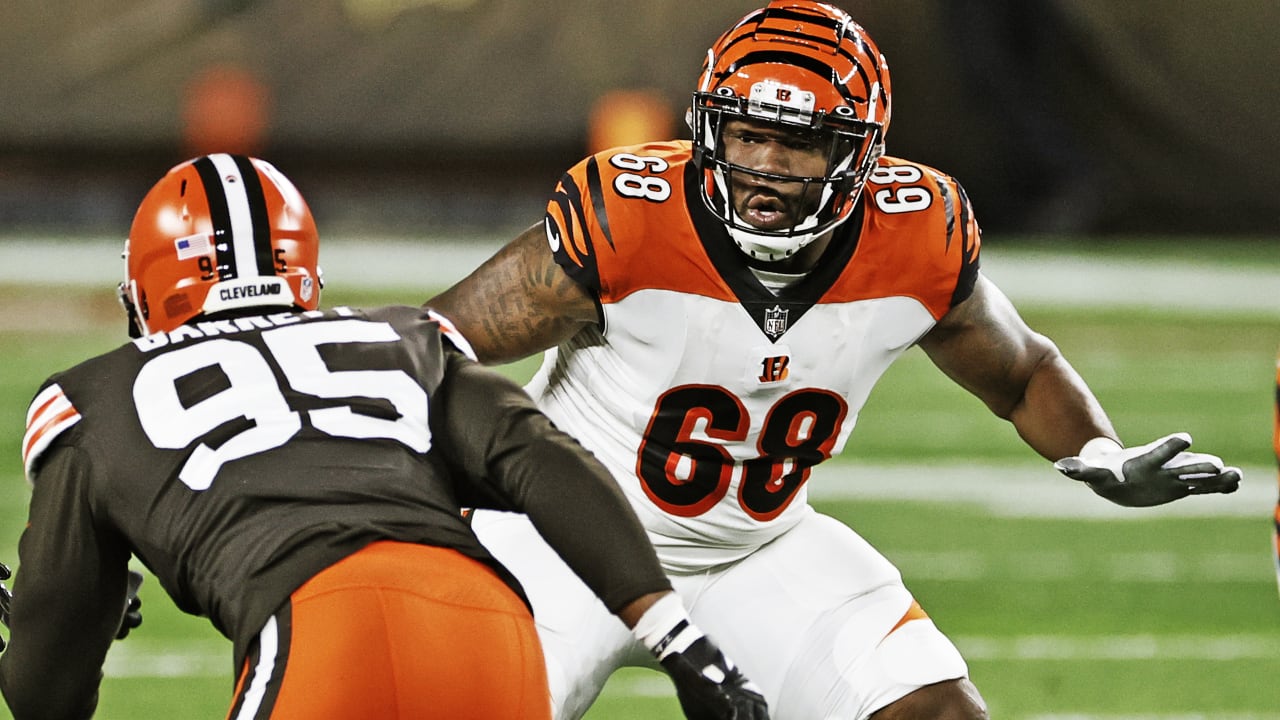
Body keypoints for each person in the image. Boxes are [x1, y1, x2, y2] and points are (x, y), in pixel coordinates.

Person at [424, 2, 1244, 718]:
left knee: (936, 712)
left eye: (799, 145)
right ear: (709, 129)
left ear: (858, 158)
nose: (764, 170)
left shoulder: (914, 239)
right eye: (747, 135)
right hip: (559, 541)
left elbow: (1023, 372)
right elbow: (435, 346)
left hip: (753, 552)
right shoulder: (628, 222)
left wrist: (1099, 450)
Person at [0, 154, 768, 720]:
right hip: (489, 629)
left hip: (319, 628)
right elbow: (541, 461)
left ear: (144, 294)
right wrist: (677, 640)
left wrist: (74, 616)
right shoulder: (398, 336)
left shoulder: (91, 397)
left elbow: (45, 698)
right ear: (306, 277)